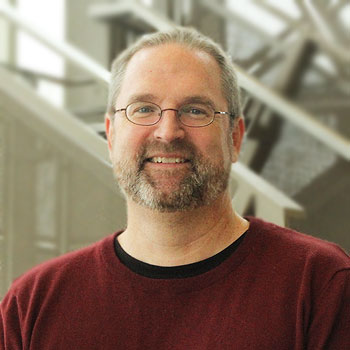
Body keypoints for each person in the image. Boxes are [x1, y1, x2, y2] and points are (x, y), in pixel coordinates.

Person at [1, 27, 349, 350]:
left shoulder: (321, 285)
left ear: (235, 137)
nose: (168, 132)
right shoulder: (32, 304)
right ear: (111, 135)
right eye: (143, 109)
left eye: (196, 110)